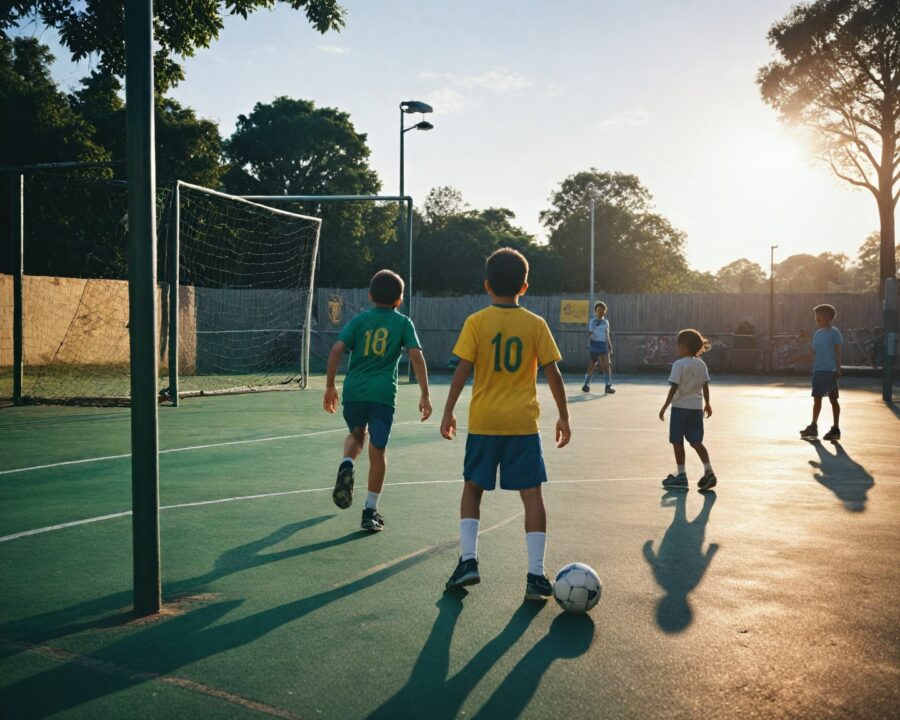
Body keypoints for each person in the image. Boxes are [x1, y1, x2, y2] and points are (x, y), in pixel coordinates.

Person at [440, 248, 571, 599]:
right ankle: (535, 575)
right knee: (532, 497)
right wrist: (564, 415)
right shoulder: (535, 324)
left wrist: (448, 410)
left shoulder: (476, 322)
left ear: (486, 285)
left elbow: (462, 370)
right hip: (522, 425)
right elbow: (553, 373)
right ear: (524, 287)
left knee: (472, 488)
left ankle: (468, 560)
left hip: (484, 422)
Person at [323, 269, 432, 532]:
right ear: (400, 299)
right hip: (383, 394)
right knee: (378, 452)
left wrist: (329, 386)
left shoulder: (360, 321)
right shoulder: (403, 323)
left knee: (357, 434)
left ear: (370, 296)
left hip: (355, 391)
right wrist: (425, 394)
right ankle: (370, 511)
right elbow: (416, 355)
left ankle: (346, 464)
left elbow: (337, 348)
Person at [658, 328, 716, 491]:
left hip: (680, 408)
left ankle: (681, 475)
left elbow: (674, 388)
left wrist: (664, 406)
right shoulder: (701, 364)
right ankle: (708, 470)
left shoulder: (679, 364)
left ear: (684, 347)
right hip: (696, 409)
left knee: (677, 441)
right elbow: (705, 385)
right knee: (696, 441)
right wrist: (707, 404)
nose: (677, 349)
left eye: (678, 346)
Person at [800, 304, 842, 441]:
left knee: (833, 399)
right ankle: (813, 426)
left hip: (829, 370)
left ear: (828, 317)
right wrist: (802, 358)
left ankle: (835, 428)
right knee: (817, 398)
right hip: (818, 370)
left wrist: (838, 367)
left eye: (819, 315)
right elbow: (814, 352)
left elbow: (837, 351)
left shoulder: (834, 332)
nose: (816, 318)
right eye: (816, 315)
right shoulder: (817, 334)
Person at [582, 301, 615, 394]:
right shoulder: (592, 321)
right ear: (595, 311)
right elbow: (591, 333)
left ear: (605, 311)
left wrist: (610, 345)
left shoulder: (606, 322)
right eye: (598, 310)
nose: (600, 312)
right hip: (594, 345)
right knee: (592, 365)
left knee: (606, 365)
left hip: (603, 345)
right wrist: (589, 343)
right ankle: (586, 384)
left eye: (602, 310)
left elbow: (607, 334)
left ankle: (608, 386)